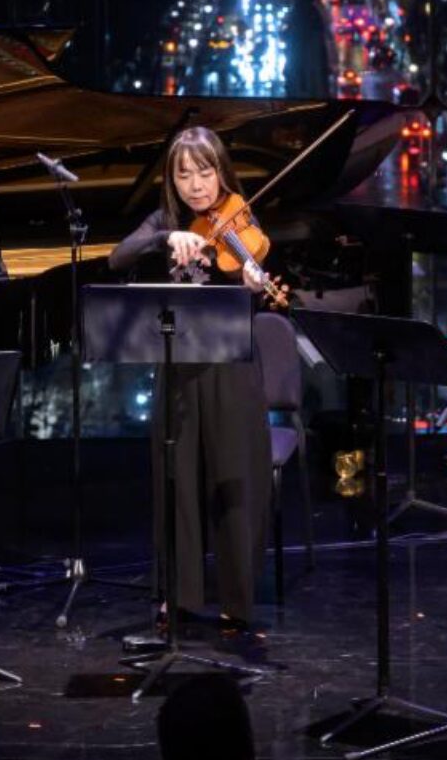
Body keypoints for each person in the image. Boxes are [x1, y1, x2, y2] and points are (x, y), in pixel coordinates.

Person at [108, 125, 272, 628]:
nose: (196, 186)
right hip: (179, 364)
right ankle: (178, 595)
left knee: (232, 478)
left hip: (230, 366)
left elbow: (254, 278)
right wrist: (167, 237)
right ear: (171, 180)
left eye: (205, 172)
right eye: (184, 176)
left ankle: (237, 599)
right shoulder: (166, 219)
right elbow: (117, 257)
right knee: (176, 479)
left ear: (221, 171)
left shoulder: (240, 216)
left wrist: (252, 283)